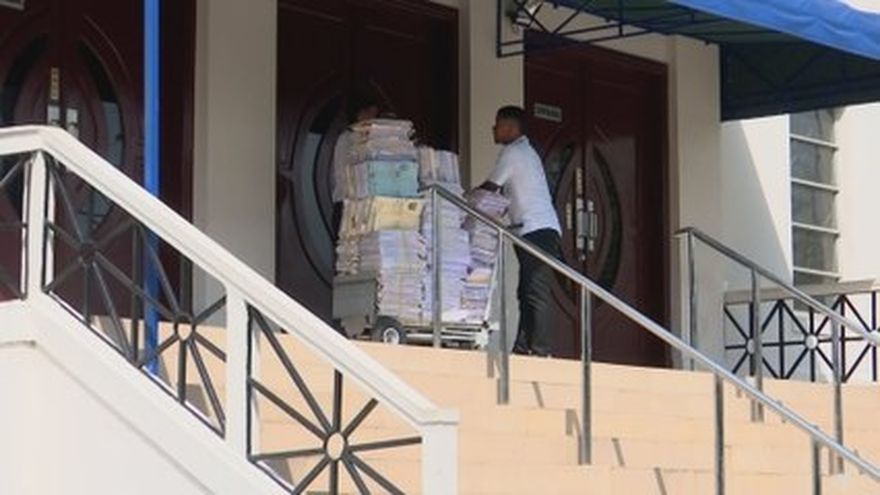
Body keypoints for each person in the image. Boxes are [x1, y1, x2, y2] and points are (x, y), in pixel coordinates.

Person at [476, 105, 562, 357]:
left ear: (511, 128)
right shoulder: (524, 152)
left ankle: (542, 349)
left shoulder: (513, 152)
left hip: (538, 230)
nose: (494, 129)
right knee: (525, 291)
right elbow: (506, 198)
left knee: (535, 290)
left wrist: (465, 200)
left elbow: (491, 187)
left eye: (498, 124)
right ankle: (523, 346)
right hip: (531, 231)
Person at [331, 92, 381, 237]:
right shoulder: (347, 140)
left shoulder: (376, 140)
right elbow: (343, 176)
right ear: (359, 114)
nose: (373, 121)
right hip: (348, 206)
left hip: (369, 207)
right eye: (370, 114)